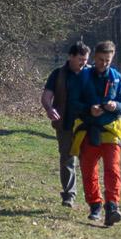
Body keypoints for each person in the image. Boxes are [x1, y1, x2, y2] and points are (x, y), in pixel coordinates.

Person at [72, 39, 121, 226]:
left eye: (107, 60)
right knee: (88, 170)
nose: (104, 64)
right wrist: (89, 109)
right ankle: (95, 205)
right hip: (88, 129)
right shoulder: (83, 77)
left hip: (111, 130)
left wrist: (116, 106)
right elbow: (73, 102)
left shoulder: (117, 78)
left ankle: (112, 206)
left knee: (112, 169)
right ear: (94, 58)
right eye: (100, 60)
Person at [40, 41, 90, 207]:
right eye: (80, 59)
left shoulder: (91, 74)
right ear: (70, 57)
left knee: (88, 160)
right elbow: (46, 96)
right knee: (67, 160)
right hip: (65, 124)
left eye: (86, 59)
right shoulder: (58, 74)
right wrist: (49, 109)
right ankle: (69, 195)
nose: (83, 63)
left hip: (87, 125)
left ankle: (92, 197)